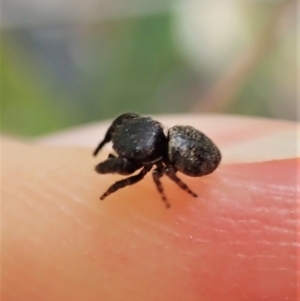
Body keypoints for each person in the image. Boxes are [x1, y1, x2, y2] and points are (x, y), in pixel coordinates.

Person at [2, 115, 298, 300]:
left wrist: (183, 193)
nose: (117, 153)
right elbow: (126, 122)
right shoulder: (152, 133)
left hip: (198, 160)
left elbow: (159, 178)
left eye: (122, 154)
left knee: (154, 177)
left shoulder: (157, 164)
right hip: (183, 144)